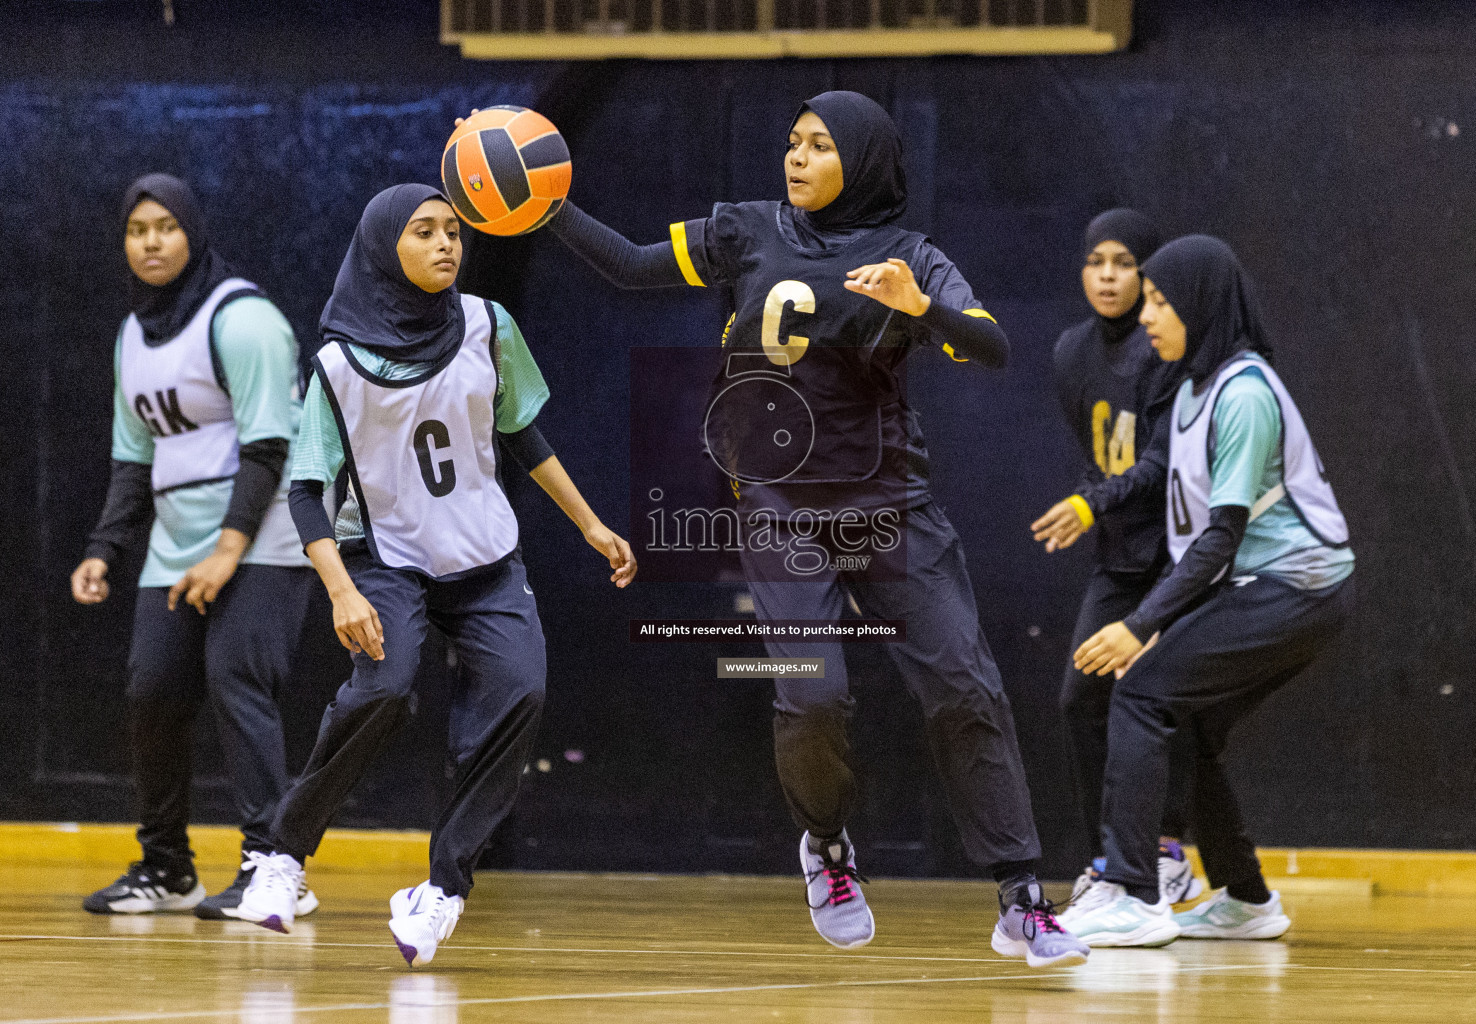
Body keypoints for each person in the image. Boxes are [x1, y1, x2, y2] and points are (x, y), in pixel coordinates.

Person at [516, 90, 1088, 967]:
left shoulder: (910, 256)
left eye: (820, 146)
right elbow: (633, 265)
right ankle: (826, 847)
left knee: (966, 689)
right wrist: (541, 204)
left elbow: (991, 346)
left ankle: (1020, 897)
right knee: (810, 694)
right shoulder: (746, 229)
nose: (797, 156)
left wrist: (920, 307)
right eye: (793, 142)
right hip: (780, 507)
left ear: (860, 162)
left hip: (891, 505)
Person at [233, 184, 636, 968]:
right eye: (425, 232)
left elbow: (524, 433)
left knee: (522, 691)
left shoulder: (489, 325)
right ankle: (281, 855)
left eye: (454, 230)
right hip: (385, 560)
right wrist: (341, 590)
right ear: (387, 248)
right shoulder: (339, 362)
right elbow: (307, 489)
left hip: (483, 559)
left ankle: (441, 889)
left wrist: (590, 524)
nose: (447, 243)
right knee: (385, 686)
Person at [1061, 235, 1355, 947]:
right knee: (1181, 714)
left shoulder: (1244, 393)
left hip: (1299, 588)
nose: (1147, 316)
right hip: (1265, 585)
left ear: (1200, 306)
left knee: (1142, 691)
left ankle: (1133, 892)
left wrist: (1141, 624)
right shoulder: (1195, 388)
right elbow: (1202, 544)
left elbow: (1221, 537)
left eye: (1161, 303)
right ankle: (1247, 898)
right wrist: (1159, 616)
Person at [71, 174, 320, 920]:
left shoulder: (244, 321)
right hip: (181, 542)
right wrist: (102, 550)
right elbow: (132, 458)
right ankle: (168, 868)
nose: (150, 241)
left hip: (268, 536)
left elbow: (271, 445)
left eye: (165, 227)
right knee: (152, 691)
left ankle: (273, 870)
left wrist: (228, 550)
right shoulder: (132, 336)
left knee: (236, 682)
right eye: (136, 229)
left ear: (192, 233)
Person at [1029, 209, 1202, 906]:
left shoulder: (1164, 347)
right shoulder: (1071, 352)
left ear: (1147, 273)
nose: (1107, 275)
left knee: (1158, 700)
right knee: (1081, 700)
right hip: (1118, 557)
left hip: (1176, 555)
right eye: (1096, 261)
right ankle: (1106, 858)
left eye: (1124, 263)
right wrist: (1085, 502)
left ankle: (1166, 849)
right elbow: (1101, 460)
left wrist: (1089, 504)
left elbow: (1161, 462)